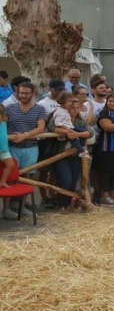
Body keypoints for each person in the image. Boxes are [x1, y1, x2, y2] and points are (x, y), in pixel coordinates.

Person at [4, 82, 46, 218]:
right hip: (13, 147)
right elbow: (3, 125)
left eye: (26, 93)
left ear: (32, 93)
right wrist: (11, 137)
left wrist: (25, 135)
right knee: (10, 177)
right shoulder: (9, 108)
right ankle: (6, 208)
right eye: (21, 93)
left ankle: (21, 207)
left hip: (31, 147)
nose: (23, 95)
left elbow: (41, 127)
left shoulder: (40, 109)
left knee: (26, 178)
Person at [50, 92, 94, 211]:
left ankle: (68, 204)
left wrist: (76, 134)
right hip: (61, 154)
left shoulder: (80, 121)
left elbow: (90, 132)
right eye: (72, 107)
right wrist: (67, 132)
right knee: (65, 180)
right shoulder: (60, 115)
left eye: (77, 108)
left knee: (73, 181)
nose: (74, 110)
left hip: (75, 155)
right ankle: (61, 205)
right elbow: (52, 128)